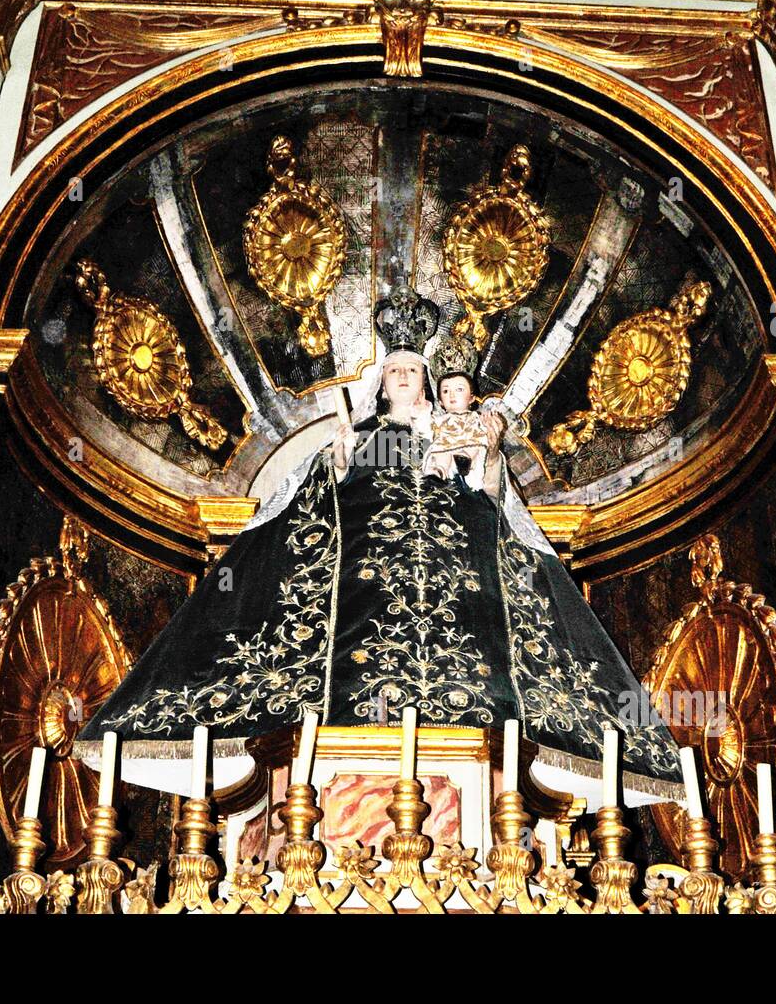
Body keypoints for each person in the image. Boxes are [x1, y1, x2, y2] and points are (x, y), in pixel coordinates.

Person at [76, 328, 682, 802]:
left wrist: (488, 452)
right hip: (364, 593)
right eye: (391, 370)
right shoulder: (361, 434)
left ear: (427, 382)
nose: (400, 378)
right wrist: (337, 456)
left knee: (489, 635)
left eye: (411, 371)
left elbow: (494, 499)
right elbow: (317, 492)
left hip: (457, 585)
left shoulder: (454, 429)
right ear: (381, 382)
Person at [421, 371, 494, 491]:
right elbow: (426, 428)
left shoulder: (475, 417)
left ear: (471, 398)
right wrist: (422, 412)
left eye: (459, 389)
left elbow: (485, 430)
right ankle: (439, 471)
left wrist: (489, 423)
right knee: (441, 451)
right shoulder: (441, 419)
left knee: (475, 445)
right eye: (445, 391)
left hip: (468, 440)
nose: (452, 395)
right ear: (440, 401)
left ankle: (465, 461)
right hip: (447, 441)